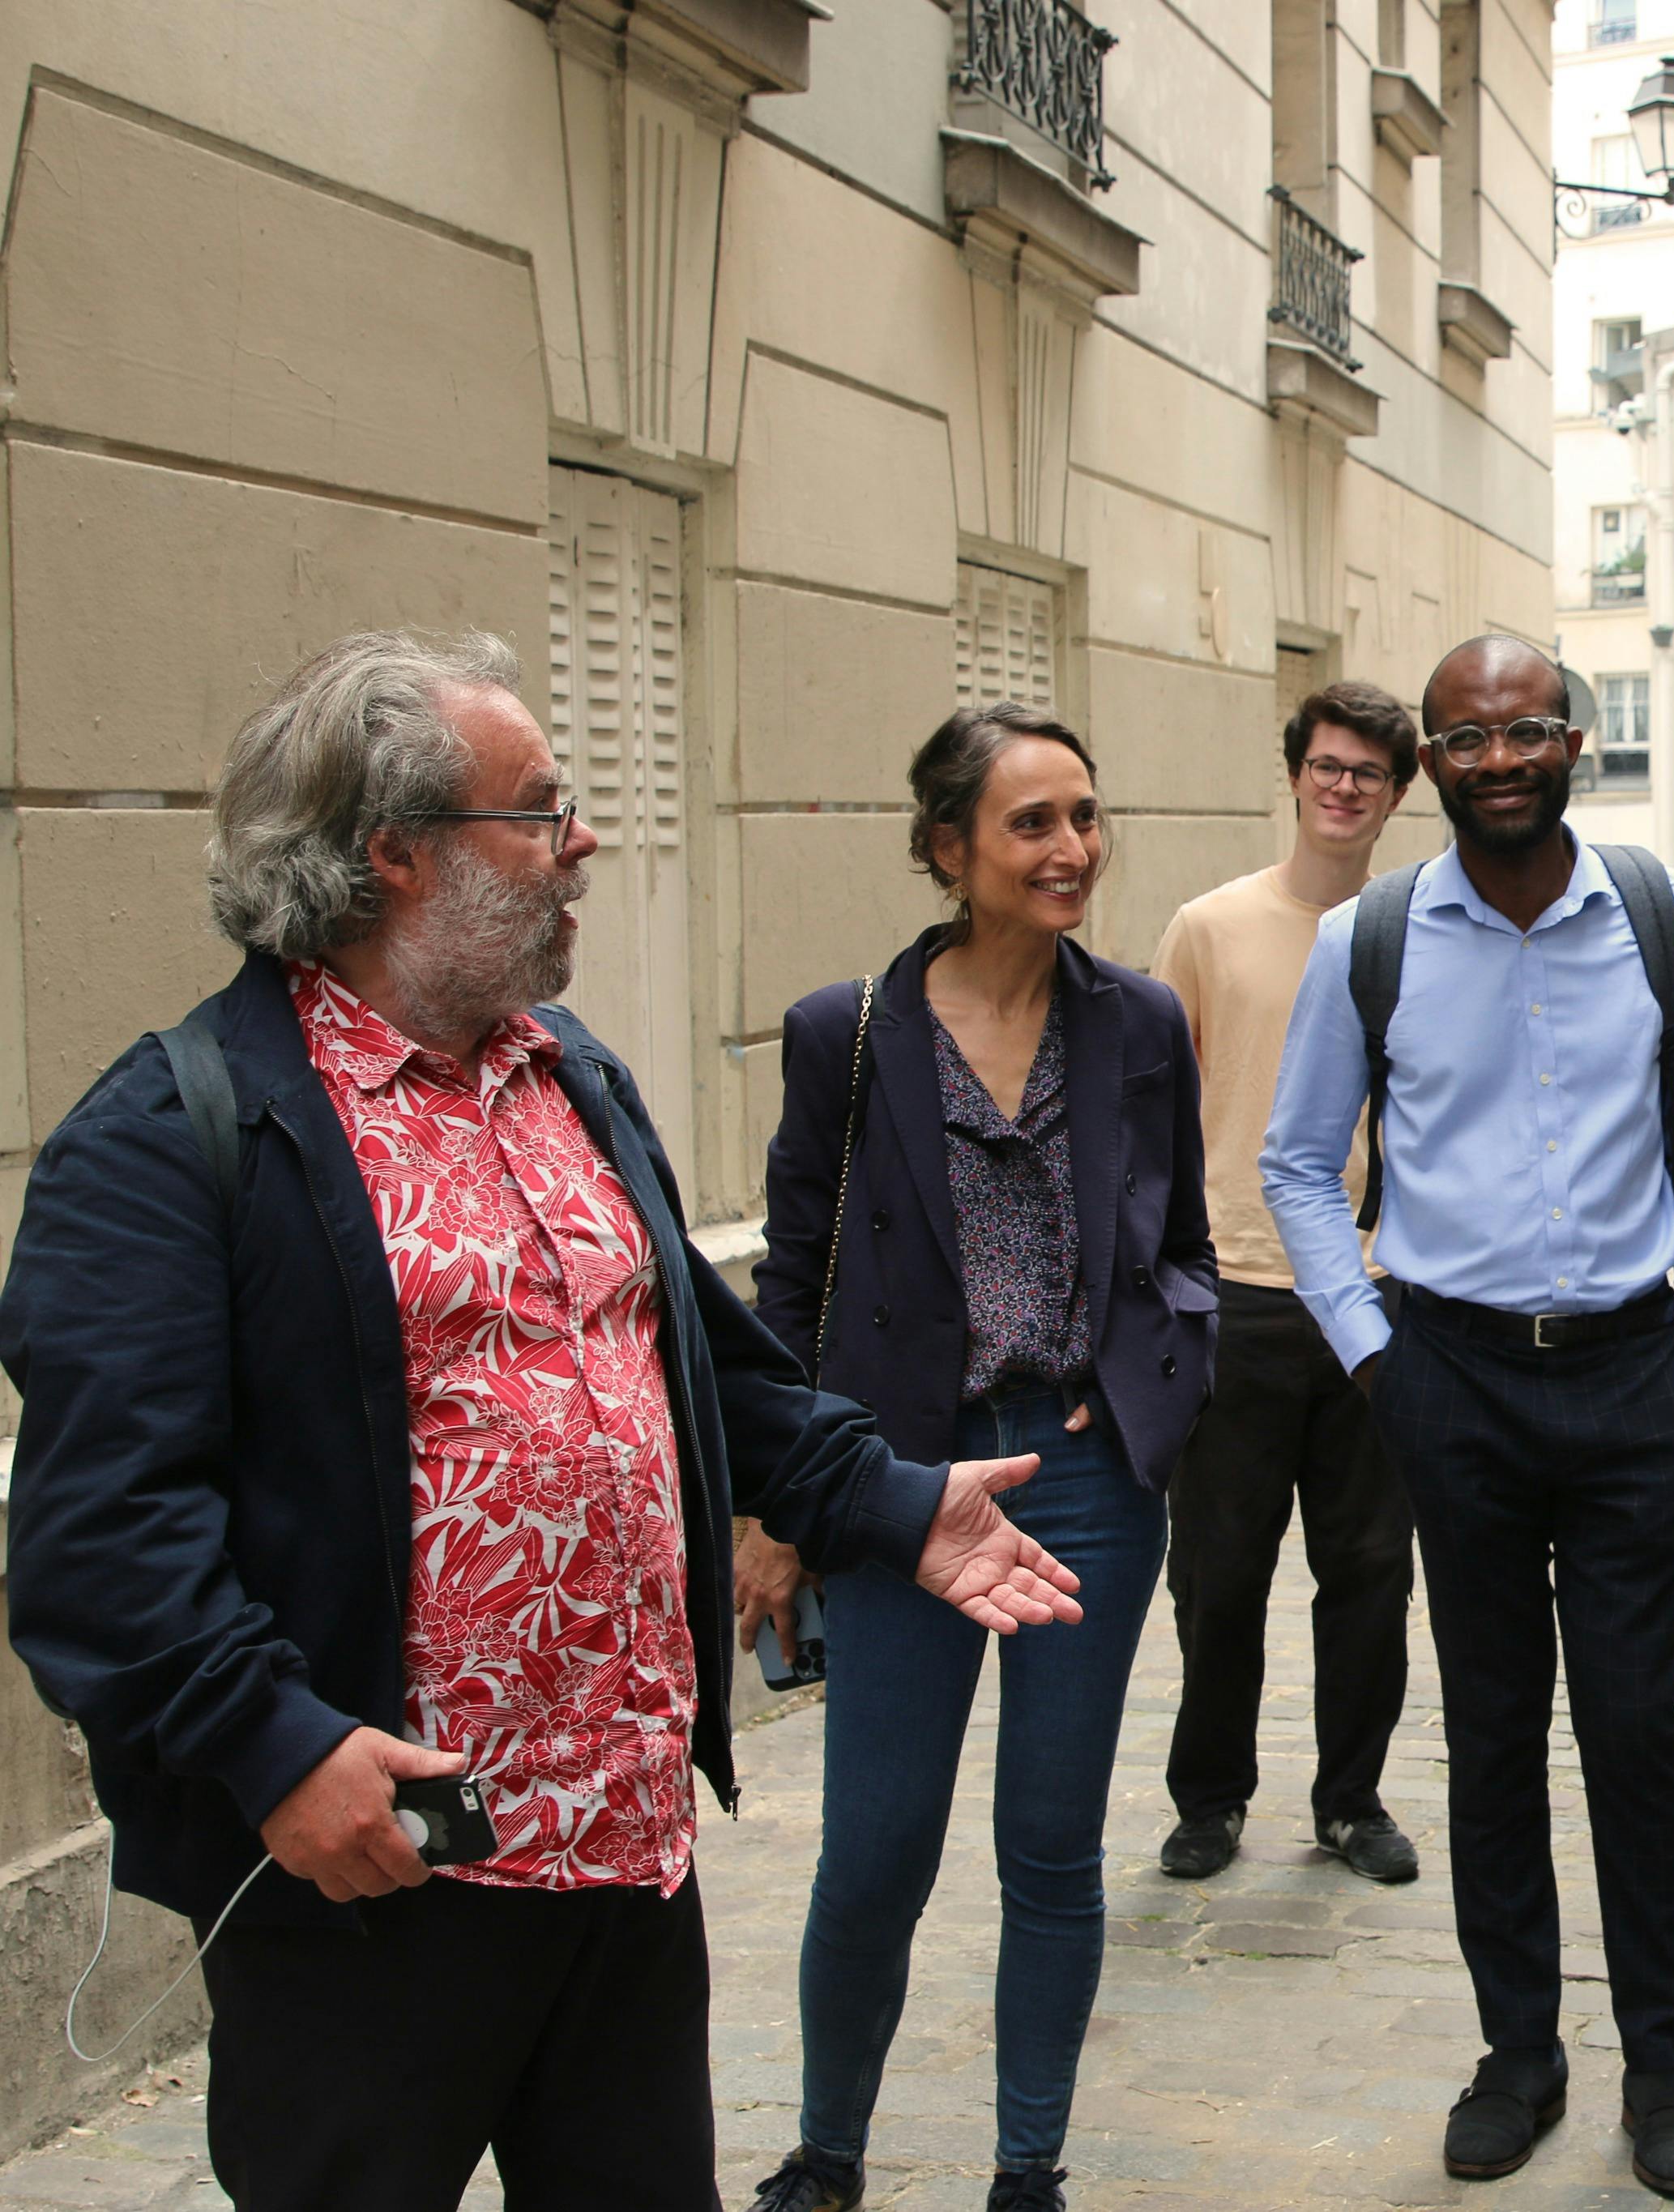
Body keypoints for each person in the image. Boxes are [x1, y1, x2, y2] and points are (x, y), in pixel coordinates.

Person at [0, 633, 1083, 2212]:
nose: (585, 844)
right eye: (544, 811)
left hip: (620, 1847)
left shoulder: (565, 1071)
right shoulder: (172, 1137)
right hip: (374, 1877)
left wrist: (896, 1506)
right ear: (395, 852)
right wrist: (274, 1748)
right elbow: (100, 1533)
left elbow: (710, 1377)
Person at [1262, 634, 1674, 2201]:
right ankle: (1519, 2055)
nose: (1495, 758)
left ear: (1573, 745)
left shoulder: (1670, 921)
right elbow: (1295, 1163)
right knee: (1489, 1734)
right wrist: (1372, 1353)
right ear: (1430, 760)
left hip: (1635, 1378)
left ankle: (1664, 2066)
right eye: (1462, 737)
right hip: (1450, 1379)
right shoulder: (1373, 938)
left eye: (1525, 728)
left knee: (1633, 1731)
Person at [741, 704, 1214, 2212]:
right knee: (877, 1846)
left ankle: (1029, 2167)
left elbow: (1186, 1250)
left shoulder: (1138, 1022)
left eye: (1085, 815)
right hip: (900, 1481)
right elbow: (792, 1275)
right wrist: (779, 1502)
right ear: (950, 847)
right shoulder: (850, 1032)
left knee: (1051, 1845)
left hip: (1081, 1478)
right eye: (1032, 823)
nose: (1072, 848)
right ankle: (829, 2153)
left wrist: (1153, 1381)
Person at [1147, 681, 1424, 1885]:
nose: (1345, 786)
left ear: (1398, 793)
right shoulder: (1210, 927)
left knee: (1369, 1567)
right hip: (1238, 1289)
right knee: (1219, 1570)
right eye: (1327, 764)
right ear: (1298, 774)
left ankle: (1351, 1800)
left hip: (1376, 1294)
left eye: (1369, 771)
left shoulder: (1423, 930)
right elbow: (1155, 1114)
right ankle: (1209, 1797)